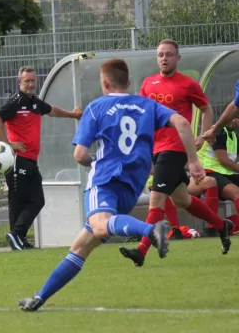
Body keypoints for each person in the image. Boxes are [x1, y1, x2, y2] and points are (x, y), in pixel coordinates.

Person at [19, 58, 204, 311]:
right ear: (128, 82)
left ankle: (151, 230)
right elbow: (182, 123)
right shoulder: (148, 105)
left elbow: (80, 155)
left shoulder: (97, 108)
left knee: (98, 225)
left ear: (104, 84)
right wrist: (193, 161)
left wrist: (97, 159)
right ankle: (39, 298)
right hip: (132, 185)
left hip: (105, 180)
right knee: (83, 244)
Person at [119, 39, 233, 267]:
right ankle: (222, 226)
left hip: (175, 148)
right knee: (181, 199)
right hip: (156, 149)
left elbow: (206, 108)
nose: (164, 58)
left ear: (177, 58)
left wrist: (204, 134)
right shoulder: (148, 84)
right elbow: (144, 116)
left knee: (156, 199)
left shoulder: (188, 84)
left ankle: (141, 250)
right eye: (161, 54)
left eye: (169, 54)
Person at [0, 66, 83, 251]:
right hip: (17, 159)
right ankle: (17, 236)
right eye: (27, 81)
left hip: (30, 159)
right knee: (23, 201)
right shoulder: (15, 102)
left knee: (35, 200)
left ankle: (18, 237)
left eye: (33, 80)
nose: (30, 84)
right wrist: (8, 144)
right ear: (19, 82)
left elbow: (51, 110)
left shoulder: (34, 102)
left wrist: (73, 114)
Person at [198, 118, 239, 235]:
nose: (234, 120)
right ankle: (213, 227)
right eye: (233, 116)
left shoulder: (234, 137)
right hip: (208, 172)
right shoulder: (218, 131)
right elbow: (223, 160)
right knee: (237, 193)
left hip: (225, 174)